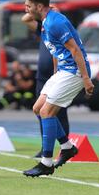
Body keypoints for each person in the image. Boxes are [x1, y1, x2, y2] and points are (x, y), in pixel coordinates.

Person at [22, 0, 94, 177]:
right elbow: (56, 49)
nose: (26, 8)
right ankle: (67, 147)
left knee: (46, 111)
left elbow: (75, 50)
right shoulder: (47, 20)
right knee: (38, 108)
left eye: (28, 5)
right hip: (63, 71)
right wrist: (55, 73)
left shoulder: (55, 22)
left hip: (74, 72)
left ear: (38, 6)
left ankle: (46, 163)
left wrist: (86, 79)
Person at [22, 11, 70, 158]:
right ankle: (46, 147)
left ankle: (64, 148)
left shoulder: (59, 28)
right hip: (42, 78)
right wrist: (40, 12)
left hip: (58, 77)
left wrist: (53, 13)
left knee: (59, 113)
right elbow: (25, 19)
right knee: (40, 111)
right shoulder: (43, 27)